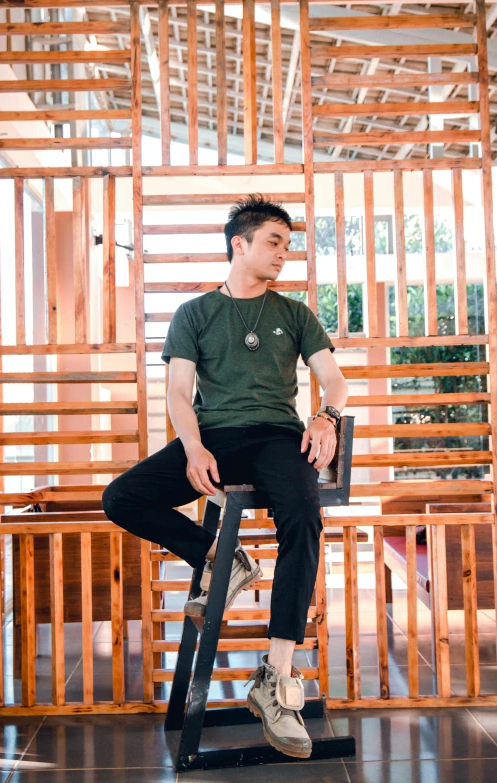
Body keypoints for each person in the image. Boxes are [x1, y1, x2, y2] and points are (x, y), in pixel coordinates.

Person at [102, 194, 348, 758]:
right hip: (213, 437)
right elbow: (178, 392)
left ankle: (276, 679)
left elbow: (334, 380)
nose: (284, 254)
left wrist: (324, 415)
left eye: (287, 244)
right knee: (121, 498)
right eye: (274, 242)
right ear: (240, 244)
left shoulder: (294, 314)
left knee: (304, 520)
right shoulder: (195, 313)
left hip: (276, 438)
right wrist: (191, 445)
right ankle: (220, 557)